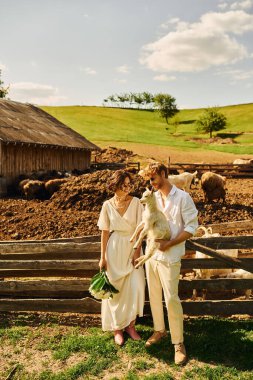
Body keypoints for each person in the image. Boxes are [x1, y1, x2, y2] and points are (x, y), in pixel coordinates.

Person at [142, 162, 198, 365]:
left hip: (171, 256)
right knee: (154, 295)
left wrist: (170, 243)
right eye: (149, 180)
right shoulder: (152, 198)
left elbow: (192, 227)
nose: (151, 183)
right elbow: (147, 224)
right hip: (151, 256)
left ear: (164, 174)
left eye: (153, 178)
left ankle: (178, 343)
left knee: (171, 298)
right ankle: (159, 330)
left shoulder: (183, 197)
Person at [97, 170, 145, 346]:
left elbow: (141, 229)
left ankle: (131, 326)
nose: (127, 188)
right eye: (123, 185)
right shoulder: (107, 205)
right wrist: (102, 257)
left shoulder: (137, 203)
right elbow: (104, 232)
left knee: (135, 287)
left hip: (132, 246)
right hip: (115, 248)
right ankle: (117, 328)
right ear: (114, 186)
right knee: (115, 290)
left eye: (129, 184)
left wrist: (137, 252)